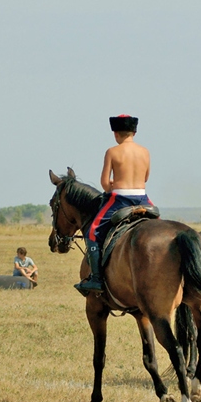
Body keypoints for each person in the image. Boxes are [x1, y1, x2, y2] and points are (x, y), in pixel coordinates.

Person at [75, 114, 153, 293]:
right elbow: (145, 178)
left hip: (120, 199)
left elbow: (104, 183)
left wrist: (115, 184)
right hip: (143, 198)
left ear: (115, 133)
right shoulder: (145, 152)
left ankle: (96, 279)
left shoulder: (112, 152)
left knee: (93, 231)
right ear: (134, 132)